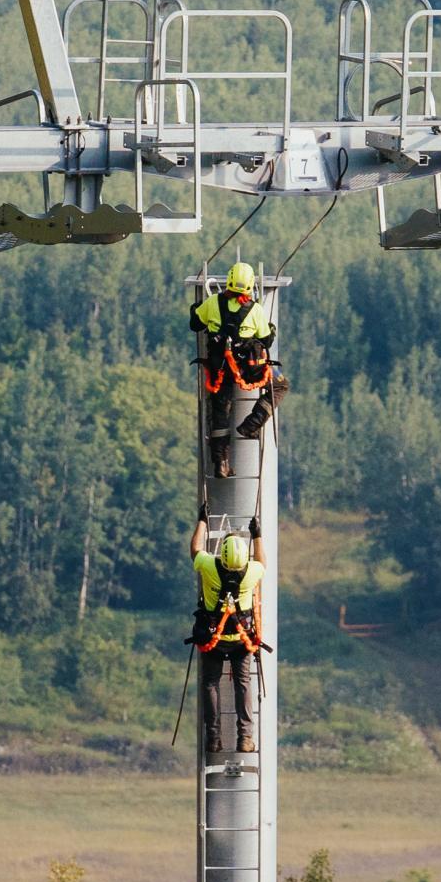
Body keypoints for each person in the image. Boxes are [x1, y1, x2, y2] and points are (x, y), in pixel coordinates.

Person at [188, 262, 286, 478]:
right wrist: (271, 329)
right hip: (250, 370)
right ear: (251, 286)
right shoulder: (255, 310)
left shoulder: (213, 303)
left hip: (219, 369)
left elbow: (195, 324)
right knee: (280, 385)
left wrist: (195, 309)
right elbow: (267, 340)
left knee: (220, 413)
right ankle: (251, 425)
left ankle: (221, 464)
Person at [189, 509, 265, 756]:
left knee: (211, 683)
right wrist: (257, 535)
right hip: (241, 641)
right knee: (243, 683)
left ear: (221, 554)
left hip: (213, 638)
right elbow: (262, 562)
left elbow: (195, 550)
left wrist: (202, 521)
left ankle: (214, 739)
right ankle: (245, 738)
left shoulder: (210, 566)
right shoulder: (251, 572)